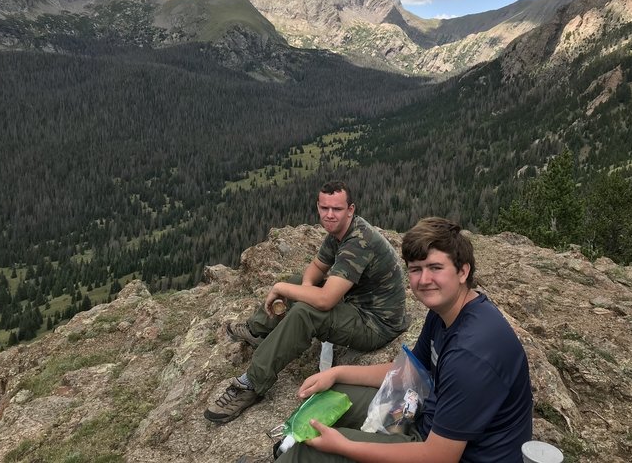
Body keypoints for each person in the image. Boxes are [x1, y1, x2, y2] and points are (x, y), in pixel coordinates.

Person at [259, 216, 533, 463]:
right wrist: (336, 372)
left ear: (463, 271)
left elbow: (439, 456)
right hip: (430, 417)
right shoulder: (445, 313)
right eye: (415, 269)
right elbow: (409, 372)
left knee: (317, 450)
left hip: (449, 451)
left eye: (435, 267)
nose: (424, 279)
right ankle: (289, 450)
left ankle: (298, 455)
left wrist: (343, 446)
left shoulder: (472, 354)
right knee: (332, 397)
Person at [204, 180, 409, 424]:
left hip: (376, 324)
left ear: (351, 209)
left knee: (305, 311)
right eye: (325, 208)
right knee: (298, 282)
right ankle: (258, 330)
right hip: (358, 303)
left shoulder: (358, 241)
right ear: (318, 207)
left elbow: (325, 301)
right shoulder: (340, 232)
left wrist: (283, 289)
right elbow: (316, 268)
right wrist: (302, 290)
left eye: (337, 209)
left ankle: (251, 383)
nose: (330, 215)